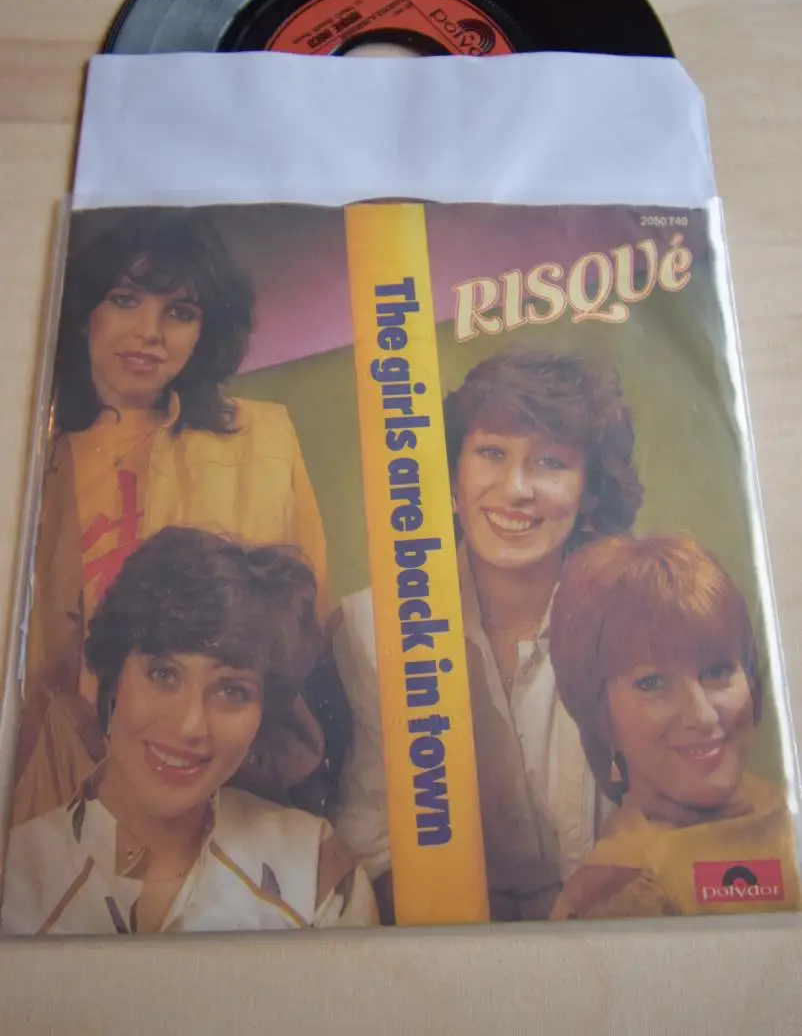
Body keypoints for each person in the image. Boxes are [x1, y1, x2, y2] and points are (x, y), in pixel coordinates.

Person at [14, 211, 329, 827]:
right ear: (85, 312)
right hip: (57, 777)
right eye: (125, 300)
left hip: (222, 772)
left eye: (180, 312)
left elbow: (302, 623)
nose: (149, 333)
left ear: (205, 330)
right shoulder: (34, 453)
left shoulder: (263, 437)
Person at [331, 348, 643, 921]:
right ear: (452, 476)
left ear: (591, 492)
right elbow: (369, 842)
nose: (516, 488)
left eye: (550, 461)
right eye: (492, 453)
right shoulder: (369, 627)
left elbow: (664, 827)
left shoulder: (637, 618)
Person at [1, 528, 377, 935]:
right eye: (163, 675)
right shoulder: (14, 875)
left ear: (263, 714)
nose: (190, 725)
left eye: (232, 690)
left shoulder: (315, 873)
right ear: (113, 680)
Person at [548, 534, 800, 919]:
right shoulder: (625, 890)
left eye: (717, 671)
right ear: (601, 714)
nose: (703, 716)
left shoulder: (781, 805)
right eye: (653, 683)